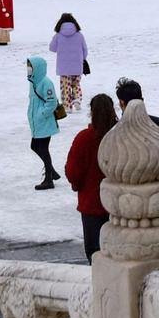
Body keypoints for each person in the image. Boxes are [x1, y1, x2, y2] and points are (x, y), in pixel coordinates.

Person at [66, 94, 116, 260]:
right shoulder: (119, 137)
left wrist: (77, 185)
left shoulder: (84, 138)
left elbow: (73, 172)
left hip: (92, 204)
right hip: (120, 204)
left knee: (95, 254)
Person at [26, 56, 63, 189]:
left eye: (30, 66)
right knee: (35, 146)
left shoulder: (45, 82)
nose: (28, 68)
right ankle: (51, 172)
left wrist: (41, 115)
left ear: (37, 68)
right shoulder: (33, 82)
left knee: (42, 148)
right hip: (37, 123)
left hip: (44, 122)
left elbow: (51, 102)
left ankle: (49, 178)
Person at [48, 13, 89, 112]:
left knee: (65, 86)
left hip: (63, 67)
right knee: (76, 84)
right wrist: (82, 58)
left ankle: (67, 106)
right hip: (77, 65)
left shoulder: (58, 36)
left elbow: (52, 48)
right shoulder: (80, 35)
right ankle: (77, 100)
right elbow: (85, 50)